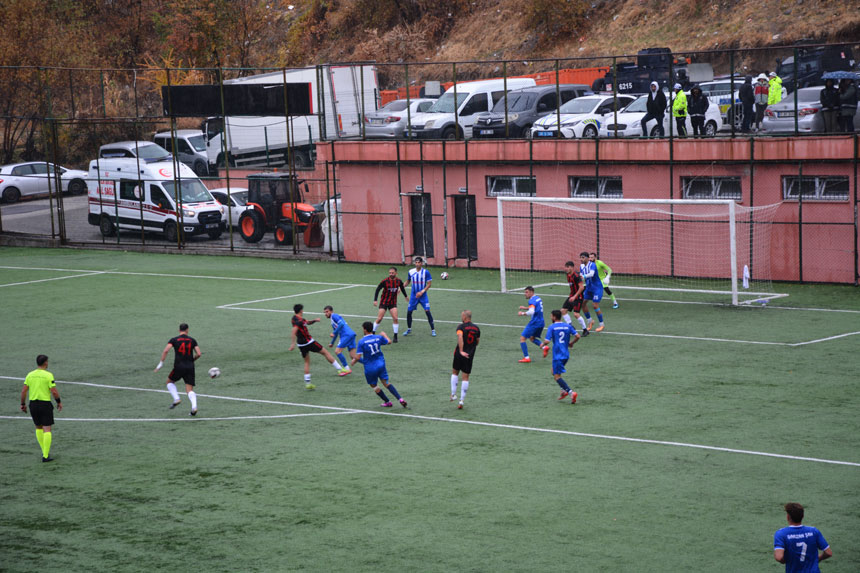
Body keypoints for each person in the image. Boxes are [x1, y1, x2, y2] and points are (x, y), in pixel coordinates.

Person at [289, 304, 348, 389]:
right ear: (301, 310)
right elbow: (294, 331)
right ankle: (340, 369)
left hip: (301, 344)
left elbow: (307, 322)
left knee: (306, 362)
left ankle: (308, 383)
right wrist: (292, 343)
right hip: (309, 342)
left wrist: (315, 320)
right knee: (325, 352)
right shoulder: (299, 321)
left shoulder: (294, 318)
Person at [352, 321, 407, 408]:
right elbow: (389, 341)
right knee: (386, 383)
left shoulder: (361, 341)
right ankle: (400, 399)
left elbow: (358, 357)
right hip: (381, 364)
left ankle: (387, 402)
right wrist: (384, 335)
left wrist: (353, 359)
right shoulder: (378, 337)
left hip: (370, 368)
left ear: (365, 330)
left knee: (374, 385)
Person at [20, 354, 62, 462]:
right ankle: (45, 456)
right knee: (47, 429)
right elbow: (54, 391)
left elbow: (24, 391)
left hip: (33, 405)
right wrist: (58, 402)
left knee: (38, 428)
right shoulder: (48, 375)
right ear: (45, 362)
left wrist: (23, 404)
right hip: (45, 405)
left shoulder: (30, 375)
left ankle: (44, 452)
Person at [155, 323, 202, 416]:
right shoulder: (192, 340)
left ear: (179, 330)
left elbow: (166, 350)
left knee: (169, 382)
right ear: (187, 330)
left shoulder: (174, 340)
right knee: (189, 390)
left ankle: (176, 398)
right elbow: (199, 353)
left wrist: (160, 363)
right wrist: (192, 360)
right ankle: (194, 407)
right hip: (190, 367)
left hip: (179, 366)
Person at [773, 502, 832, 572]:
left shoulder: (781, 534)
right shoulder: (814, 531)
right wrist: (818, 558)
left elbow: (779, 557)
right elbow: (828, 553)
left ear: (788, 517)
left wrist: (787, 560)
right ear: (803, 516)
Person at [541, 310, 580, 403]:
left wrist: (542, 344)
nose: (550, 317)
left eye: (551, 316)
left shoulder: (552, 327)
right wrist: (571, 343)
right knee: (553, 371)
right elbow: (578, 336)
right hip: (566, 355)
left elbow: (547, 341)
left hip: (558, 355)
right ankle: (563, 390)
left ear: (554, 317)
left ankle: (570, 393)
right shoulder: (567, 326)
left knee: (557, 376)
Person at [450, 310, 481, 409]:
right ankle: (462, 401)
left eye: (462, 316)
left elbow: (460, 337)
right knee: (465, 377)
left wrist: (461, 350)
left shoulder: (461, 327)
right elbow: (477, 341)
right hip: (469, 355)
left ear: (465, 317)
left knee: (455, 372)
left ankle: (453, 394)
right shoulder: (476, 328)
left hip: (460, 354)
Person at [373, 267, 408, 342]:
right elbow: (378, 289)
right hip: (384, 302)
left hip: (393, 303)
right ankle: (372, 333)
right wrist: (375, 300)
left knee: (395, 318)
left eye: (392, 273)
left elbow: (402, 288)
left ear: (396, 273)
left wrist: (406, 296)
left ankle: (395, 336)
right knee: (379, 319)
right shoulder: (385, 281)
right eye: (390, 273)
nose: (391, 274)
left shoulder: (399, 281)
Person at [404, 256, 436, 337]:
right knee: (409, 312)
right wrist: (401, 287)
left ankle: (433, 330)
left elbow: (429, 284)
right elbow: (408, 281)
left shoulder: (426, 272)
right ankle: (409, 329)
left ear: (421, 263)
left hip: (423, 296)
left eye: (419, 262)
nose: (417, 264)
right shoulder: (411, 271)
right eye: (416, 262)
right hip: (414, 296)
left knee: (427, 311)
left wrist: (422, 292)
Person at [324, 305, 357, 376]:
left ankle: (347, 369)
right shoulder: (332, 320)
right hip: (351, 334)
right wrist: (332, 343)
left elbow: (341, 324)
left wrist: (334, 332)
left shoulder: (334, 316)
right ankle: (368, 363)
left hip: (346, 335)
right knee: (353, 356)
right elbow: (336, 333)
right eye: (325, 312)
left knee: (337, 351)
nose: (325, 314)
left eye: (327, 312)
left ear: (331, 311)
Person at [517, 286, 545, 363]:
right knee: (532, 338)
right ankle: (544, 347)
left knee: (522, 338)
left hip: (534, 323)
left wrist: (522, 313)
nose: (525, 294)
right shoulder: (538, 298)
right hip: (541, 322)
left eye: (527, 292)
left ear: (531, 292)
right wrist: (525, 308)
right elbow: (535, 308)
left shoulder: (531, 301)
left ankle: (526, 358)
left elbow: (532, 311)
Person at [579, 251, 605, 332]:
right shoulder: (581, 266)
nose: (581, 259)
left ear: (587, 258)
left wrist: (583, 276)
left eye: (583, 257)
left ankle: (601, 325)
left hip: (597, 288)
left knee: (595, 305)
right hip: (588, 288)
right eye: (580, 258)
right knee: (583, 303)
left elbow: (591, 274)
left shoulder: (592, 265)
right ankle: (590, 321)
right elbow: (581, 275)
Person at [562, 261, 589, 336]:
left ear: (572, 267)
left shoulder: (576, 276)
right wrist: (572, 296)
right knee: (563, 311)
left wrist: (574, 296)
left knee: (576, 314)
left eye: (567, 267)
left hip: (578, 297)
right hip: (572, 296)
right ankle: (571, 327)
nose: (566, 269)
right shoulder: (568, 275)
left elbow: (581, 287)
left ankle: (585, 330)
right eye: (565, 267)